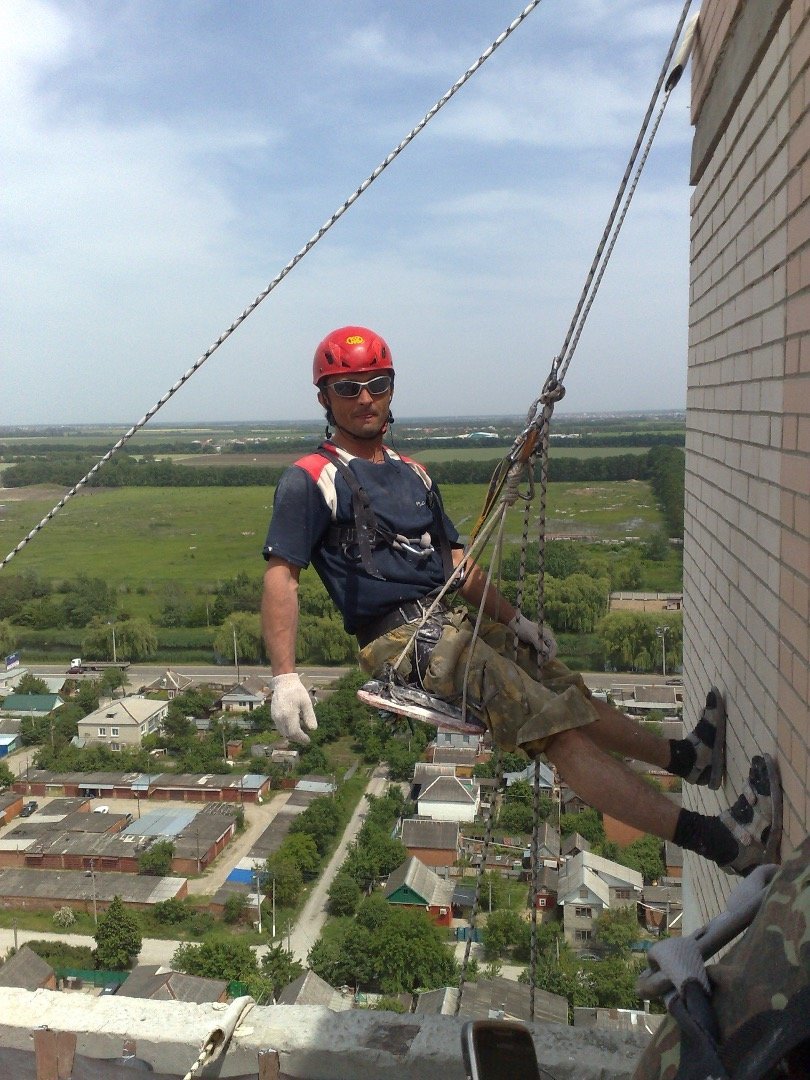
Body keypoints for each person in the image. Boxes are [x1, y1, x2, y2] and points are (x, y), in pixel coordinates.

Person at [261, 326, 781, 877]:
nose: (365, 397)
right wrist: (284, 676)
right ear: (325, 398)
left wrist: (516, 621)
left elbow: (457, 567)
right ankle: (723, 842)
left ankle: (687, 760)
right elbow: (282, 577)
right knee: (551, 727)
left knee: (563, 687)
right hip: (403, 639)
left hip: (455, 617)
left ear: (391, 390)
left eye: (377, 384)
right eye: (348, 387)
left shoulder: (412, 473)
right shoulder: (311, 479)